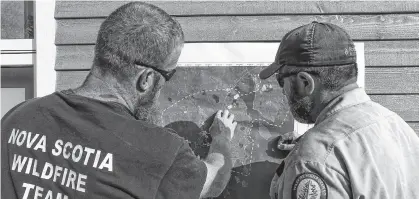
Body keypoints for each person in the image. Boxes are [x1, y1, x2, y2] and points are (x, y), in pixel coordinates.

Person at [2, 2, 237, 199]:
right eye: (169, 74)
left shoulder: (19, 117)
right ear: (145, 79)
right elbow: (213, 181)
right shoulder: (161, 153)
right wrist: (222, 138)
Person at [260, 21, 419, 199]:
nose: (283, 91)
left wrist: (310, 154)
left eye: (282, 81)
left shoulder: (312, 159)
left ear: (305, 82)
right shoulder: (396, 125)